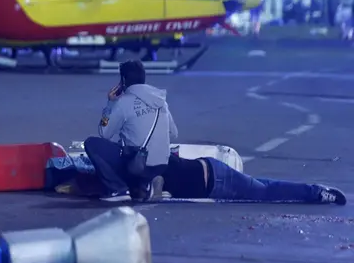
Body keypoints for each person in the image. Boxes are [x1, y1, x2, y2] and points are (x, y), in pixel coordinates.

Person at [84, 59, 178, 202]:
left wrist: (110, 104)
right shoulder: (161, 102)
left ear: (123, 80)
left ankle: (117, 189)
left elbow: (104, 132)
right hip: (161, 165)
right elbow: (174, 133)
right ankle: (145, 185)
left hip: (137, 165)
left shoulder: (123, 102)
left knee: (92, 144)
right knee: (134, 150)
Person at [159, 153, 346, 205]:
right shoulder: (152, 155)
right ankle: (314, 191)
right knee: (264, 187)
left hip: (217, 181)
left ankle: (316, 192)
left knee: (266, 192)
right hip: (213, 174)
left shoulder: (147, 168)